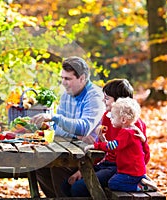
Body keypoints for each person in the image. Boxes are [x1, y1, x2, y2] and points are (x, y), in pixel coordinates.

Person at [61, 78, 152, 197]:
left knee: (79, 188)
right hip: (106, 163)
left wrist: (134, 174)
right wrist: (83, 170)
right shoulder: (108, 117)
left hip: (120, 168)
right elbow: (105, 148)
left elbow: (142, 156)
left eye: (107, 98)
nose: (103, 100)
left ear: (120, 102)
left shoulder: (133, 125)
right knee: (66, 184)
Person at [30, 56, 105, 197]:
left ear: (82, 78)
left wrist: (56, 119)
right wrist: (54, 126)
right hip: (72, 147)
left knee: (57, 164)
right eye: (62, 78)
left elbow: (84, 128)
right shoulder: (66, 95)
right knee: (39, 163)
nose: (63, 83)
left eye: (68, 79)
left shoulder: (94, 97)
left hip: (92, 155)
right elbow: (59, 130)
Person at [84, 97, 158, 192]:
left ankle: (141, 187)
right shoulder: (132, 130)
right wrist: (104, 140)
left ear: (123, 119)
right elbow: (115, 146)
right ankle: (141, 180)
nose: (111, 120)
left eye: (113, 117)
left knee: (113, 183)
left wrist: (95, 145)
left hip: (131, 172)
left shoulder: (126, 132)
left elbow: (113, 146)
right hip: (135, 171)